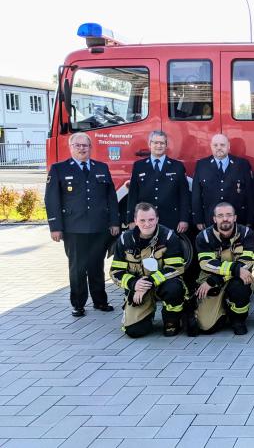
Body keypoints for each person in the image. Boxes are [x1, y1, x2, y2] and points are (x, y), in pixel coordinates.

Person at [45, 132, 119, 317]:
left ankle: (100, 301)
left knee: (96, 266)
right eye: (77, 145)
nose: (81, 148)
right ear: (70, 147)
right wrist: (55, 227)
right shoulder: (59, 169)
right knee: (77, 268)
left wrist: (114, 222)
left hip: (99, 227)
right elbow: (52, 199)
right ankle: (78, 304)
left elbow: (111, 197)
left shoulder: (101, 167)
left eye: (85, 145)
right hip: (74, 228)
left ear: (90, 147)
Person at [110, 203, 188, 337]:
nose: (147, 224)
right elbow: (115, 272)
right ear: (135, 221)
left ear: (157, 219)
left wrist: (149, 282)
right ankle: (147, 314)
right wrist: (133, 284)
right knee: (134, 331)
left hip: (161, 285)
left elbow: (176, 268)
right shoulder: (124, 240)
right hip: (138, 288)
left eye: (151, 219)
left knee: (174, 288)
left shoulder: (169, 237)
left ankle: (171, 321)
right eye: (142, 220)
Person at [194, 202, 254, 335]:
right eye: (220, 215)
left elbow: (247, 263)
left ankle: (238, 320)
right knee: (206, 327)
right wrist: (234, 270)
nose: (225, 219)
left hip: (226, 280)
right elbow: (206, 264)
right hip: (210, 279)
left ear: (235, 217)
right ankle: (223, 311)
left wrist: (215, 280)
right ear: (214, 219)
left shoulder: (247, 234)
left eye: (229, 215)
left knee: (240, 286)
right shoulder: (203, 237)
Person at [126, 130, 190, 234]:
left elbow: (184, 195)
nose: (159, 146)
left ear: (166, 145)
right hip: (146, 220)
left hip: (171, 219)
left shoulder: (177, 166)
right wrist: (131, 219)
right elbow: (133, 194)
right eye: (155, 143)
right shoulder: (139, 166)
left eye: (162, 143)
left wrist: (184, 219)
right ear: (149, 144)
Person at [191, 133, 253, 229]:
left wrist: (249, 220)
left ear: (228, 146)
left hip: (237, 220)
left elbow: (249, 194)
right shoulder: (201, 165)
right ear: (211, 146)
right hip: (210, 219)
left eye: (222, 145)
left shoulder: (242, 164)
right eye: (215, 145)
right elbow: (196, 195)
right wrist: (198, 219)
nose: (219, 148)